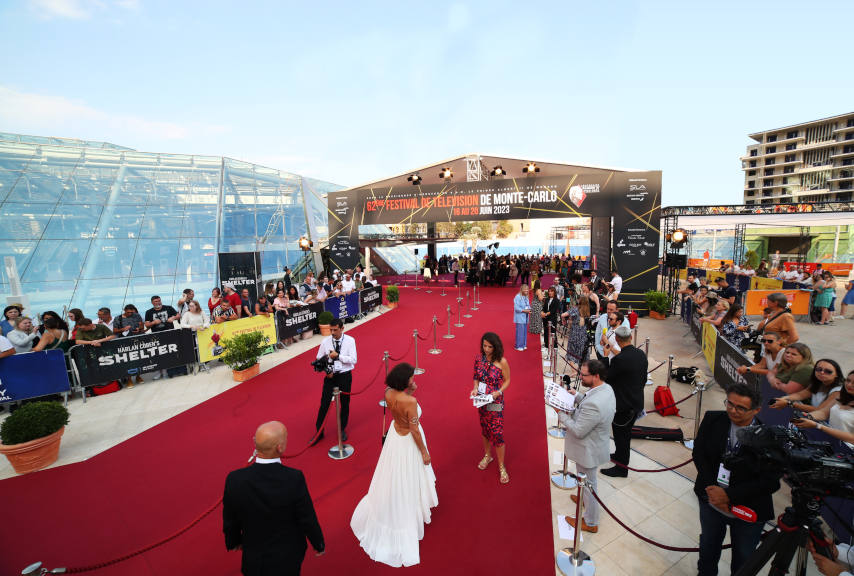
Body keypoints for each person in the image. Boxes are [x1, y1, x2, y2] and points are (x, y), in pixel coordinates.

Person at [350, 363, 437, 567]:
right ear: (404, 380)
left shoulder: (388, 393)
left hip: (395, 436)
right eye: (410, 377)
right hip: (408, 441)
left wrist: (410, 390)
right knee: (410, 474)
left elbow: (399, 408)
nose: (413, 379)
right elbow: (415, 430)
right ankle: (408, 508)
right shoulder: (411, 401)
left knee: (393, 473)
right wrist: (424, 452)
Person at [692, 383, 779, 576]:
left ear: (756, 410)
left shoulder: (768, 438)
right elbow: (699, 454)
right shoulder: (713, 419)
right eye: (729, 404)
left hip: (747, 509)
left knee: (743, 556)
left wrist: (728, 496)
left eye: (741, 407)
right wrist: (712, 489)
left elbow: (771, 482)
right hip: (711, 500)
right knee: (708, 545)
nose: (733, 410)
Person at [223, 421, 324, 576]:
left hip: (254, 558)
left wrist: (233, 541)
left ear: (255, 443)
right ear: (280, 447)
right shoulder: (293, 478)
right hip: (287, 558)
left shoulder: (234, 479)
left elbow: (230, 517)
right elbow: (306, 517)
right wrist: (318, 543)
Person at [558, 359, 616, 534]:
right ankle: (584, 500)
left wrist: (560, 413)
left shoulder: (595, 403)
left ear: (596, 376)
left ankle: (590, 522)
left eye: (584, 375)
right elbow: (588, 401)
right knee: (587, 481)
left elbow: (578, 430)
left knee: (590, 484)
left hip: (588, 449)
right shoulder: (606, 388)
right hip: (595, 443)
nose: (580, 377)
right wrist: (576, 396)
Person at [601, 325, 647, 478]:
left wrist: (606, 357)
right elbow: (643, 379)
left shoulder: (619, 359)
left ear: (618, 340)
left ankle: (621, 468)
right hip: (636, 402)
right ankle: (619, 456)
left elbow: (606, 378)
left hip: (623, 406)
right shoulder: (641, 354)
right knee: (623, 434)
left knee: (622, 436)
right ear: (631, 338)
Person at [470, 331, 512, 484]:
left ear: (496, 347)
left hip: (495, 401)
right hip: (481, 400)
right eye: (484, 346)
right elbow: (476, 377)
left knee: (497, 433)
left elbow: (507, 380)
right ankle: (488, 455)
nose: (486, 349)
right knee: (485, 430)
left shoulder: (502, 361)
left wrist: (498, 392)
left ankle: (501, 466)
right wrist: (475, 389)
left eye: (489, 347)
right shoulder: (478, 359)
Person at [312, 318, 357, 445]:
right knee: (324, 404)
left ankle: (342, 429)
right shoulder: (325, 342)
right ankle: (319, 432)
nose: (332, 332)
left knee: (344, 403)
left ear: (342, 328)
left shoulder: (350, 341)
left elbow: (353, 360)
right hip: (330, 377)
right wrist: (327, 371)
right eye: (331, 330)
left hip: (344, 376)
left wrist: (338, 356)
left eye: (335, 330)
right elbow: (318, 359)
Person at [792, 370, 854, 447]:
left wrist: (818, 426)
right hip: (831, 441)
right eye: (848, 380)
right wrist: (807, 416)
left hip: (848, 450)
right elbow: (824, 413)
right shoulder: (842, 396)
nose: (849, 385)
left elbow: (852, 438)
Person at [770, 358, 843, 412]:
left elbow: (820, 410)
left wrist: (788, 403)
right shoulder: (818, 382)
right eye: (818, 369)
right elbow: (800, 395)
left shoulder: (838, 391)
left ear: (837, 374)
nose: (822, 372)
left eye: (828, 371)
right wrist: (782, 399)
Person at [144, 295, 180, 380]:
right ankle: (159, 372)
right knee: (159, 354)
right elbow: (146, 324)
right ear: (152, 303)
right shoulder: (149, 312)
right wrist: (153, 322)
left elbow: (178, 315)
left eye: (159, 300)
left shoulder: (168, 308)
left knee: (171, 353)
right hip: (157, 336)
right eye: (156, 301)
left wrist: (173, 317)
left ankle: (170, 371)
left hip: (169, 333)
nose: (158, 302)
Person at [593, 300, 629, 367]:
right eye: (607, 309)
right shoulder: (603, 317)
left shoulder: (625, 323)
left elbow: (623, 347)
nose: (608, 311)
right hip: (601, 353)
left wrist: (606, 341)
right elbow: (598, 332)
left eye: (611, 309)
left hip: (615, 360)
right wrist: (597, 345)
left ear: (617, 310)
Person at [541, 286, 560, 351]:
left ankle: (555, 346)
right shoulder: (546, 299)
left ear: (554, 292)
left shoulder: (557, 300)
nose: (550, 292)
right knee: (546, 332)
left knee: (553, 332)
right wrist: (542, 312)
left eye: (551, 291)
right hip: (545, 318)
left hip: (552, 319)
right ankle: (546, 345)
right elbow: (544, 308)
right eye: (549, 291)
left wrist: (545, 314)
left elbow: (553, 310)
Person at [512, 284, 531, 351]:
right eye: (525, 289)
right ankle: (518, 346)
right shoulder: (517, 297)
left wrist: (529, 309)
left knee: (524, 332)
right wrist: (525, 310)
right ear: (522, 289)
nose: (526, 290)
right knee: (520, 332)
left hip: (525, 316)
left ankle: (524, 344)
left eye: (527, 289)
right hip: (520, 317)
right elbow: (516, 308)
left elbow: (528, 305)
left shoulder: (526, 297)